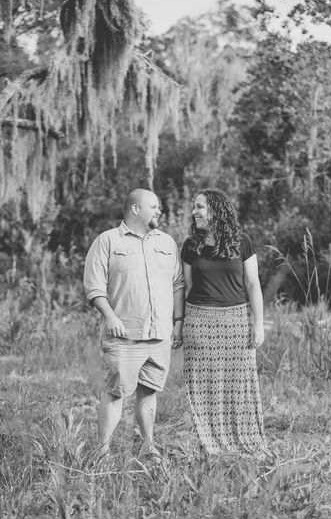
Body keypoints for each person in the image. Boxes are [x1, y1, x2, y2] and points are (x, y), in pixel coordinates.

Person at [83, 188, 185, 460]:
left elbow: (177, 285)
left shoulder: (167, 243)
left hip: (159, 334)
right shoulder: (107, 241)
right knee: (116, 392)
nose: (159, 211)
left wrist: (177, 322)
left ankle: (148, 445)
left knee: (149, 391)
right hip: (124, 335)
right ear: (135, 209)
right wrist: (110, 316)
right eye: (154, 206)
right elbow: (94, 287)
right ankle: (102, 451)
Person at [181, 187, 266, 456]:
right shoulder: (190, 246)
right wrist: (178, 323)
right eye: (194, 206)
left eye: (200, 206)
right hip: (199, 323)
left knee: (238, 385)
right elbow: (187, 288)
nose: (194, 212)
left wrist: (258, 323)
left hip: (236, 322)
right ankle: (210, 444)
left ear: (216, 210)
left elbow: (253, 284)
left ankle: (242, 440)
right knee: (202, 386)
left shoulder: (242, 242)